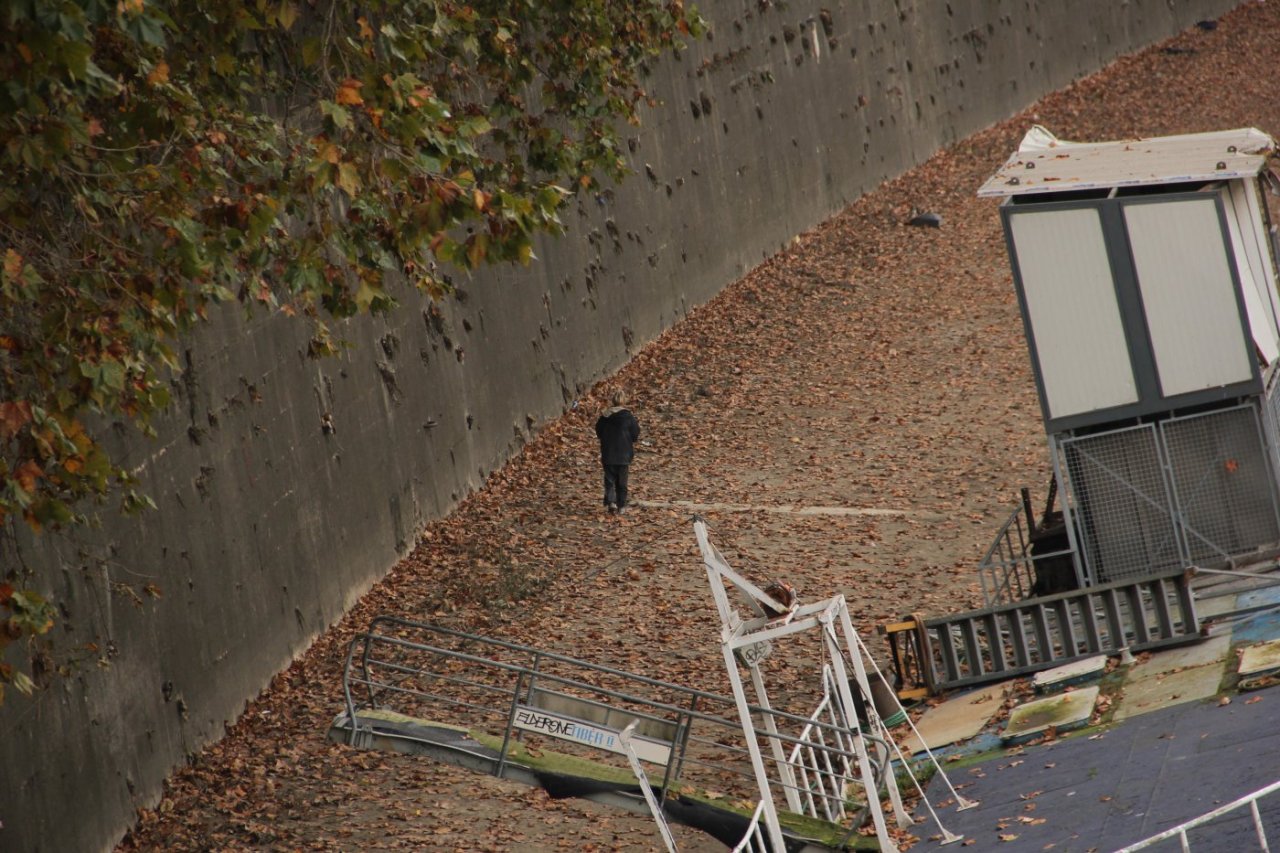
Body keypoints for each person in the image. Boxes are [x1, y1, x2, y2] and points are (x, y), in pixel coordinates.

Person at [594, 390, 640, 514]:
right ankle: (622, 505)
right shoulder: (628, 417)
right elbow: (635, 434)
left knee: (609, 480)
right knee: (622, 482)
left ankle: (611, 502)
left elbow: (599, 432)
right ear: (624, 401)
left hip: (608, 453)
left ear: (612, 401)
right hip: (624, 454)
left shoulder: (604, 417)